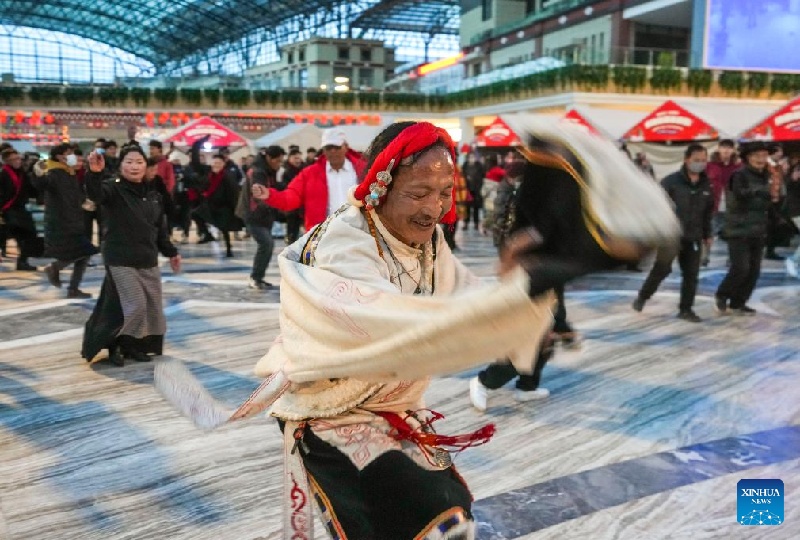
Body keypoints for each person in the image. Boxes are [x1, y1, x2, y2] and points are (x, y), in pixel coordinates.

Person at [160, 120, 681, 538]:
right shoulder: (341, 245)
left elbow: (460, 300)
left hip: (390, 410)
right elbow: (389, 323)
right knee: (429, 514)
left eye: (442, 191)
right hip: (327, 412)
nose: (435, 207)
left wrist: (517, 282)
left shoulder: (427, 243)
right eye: (418, 192)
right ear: (382, 185)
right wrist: (521, 290)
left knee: (440, 511)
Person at [81, 143, 180, 367]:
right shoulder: (112, 189)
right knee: (133, 304)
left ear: (146, 166)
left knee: (149, 307)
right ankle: (114, 345)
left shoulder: (153, 195)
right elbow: (95, 194)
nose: (134, 166)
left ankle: (132, 345)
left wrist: (171, 252)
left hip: (147, 257)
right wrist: (93, 173)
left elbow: (159, 229)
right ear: (121, 165)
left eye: (139, 162)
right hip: (120, 258)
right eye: (129, 162)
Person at [632, 144, 714, 322]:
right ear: (686, 160)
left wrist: (708, 234)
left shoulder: (707, 184)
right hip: (671, 236)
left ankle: (686, 309)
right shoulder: (671, 182)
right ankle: (643, 296)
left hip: (694, 236)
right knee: (662, 269)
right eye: (696, 160)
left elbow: (708, 212)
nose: (700, 164)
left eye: (703, 160)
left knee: (691, 274)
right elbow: (657, 207)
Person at [252, 129, 364, 231]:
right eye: (329, 148)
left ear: (346, 147)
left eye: (337, 147)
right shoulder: (309, 173)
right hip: (322, 235)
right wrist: (269, 195)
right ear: (323, 150)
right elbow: (291, 197)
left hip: (359, 232)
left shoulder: (363, 170)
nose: (333, 151)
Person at [715, 141, 771, 315]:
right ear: (748, 157)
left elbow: (773, 198)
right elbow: (738, 194)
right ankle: (722, 295)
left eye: (764, 156)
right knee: (741, 268)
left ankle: (738, 302)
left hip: (759, 229)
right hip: (738, 229)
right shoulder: (738, 175)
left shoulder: (767, 175)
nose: (761, 159)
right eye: (757, 156)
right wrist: (758, 192)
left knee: (754, 270)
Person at [36, 143, 97, 299]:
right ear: (59, 157)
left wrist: (84, 202)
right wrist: (37, 173)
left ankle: (70, 284)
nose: (73, 156)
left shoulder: (68, 172)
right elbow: (42, 185)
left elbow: (73, 195)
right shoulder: (54, 173)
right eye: (69, 153)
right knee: (85, 252)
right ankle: (59, 273)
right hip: (61, 223)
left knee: (84, 253)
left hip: (73, 220)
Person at [237, 147, 282, 290]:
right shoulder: (258, 172)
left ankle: (258, 277)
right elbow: (258, 195)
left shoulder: (267, 170)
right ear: (269, 158)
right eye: (278, 161)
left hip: (264, 215)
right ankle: (255, 277)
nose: (279, 164)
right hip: (253, 214)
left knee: (267, 245)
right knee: (266, 244)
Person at [0, 148, 38, 271]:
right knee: (11, 234)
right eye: (14, 159)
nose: (18, 161)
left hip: (20, 209)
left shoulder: (23, 174)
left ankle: (23, 261)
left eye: (18, 158)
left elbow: (31, 190)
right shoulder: (3, 174)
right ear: (7, 161)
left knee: (28, 235)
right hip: (7, 209)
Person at [705, 139, 740, 266]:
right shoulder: (709, 166)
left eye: (729, 148)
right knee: (709, 232)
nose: (726, 151)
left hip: (733, 206)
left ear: (733, 150)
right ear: (718, 149)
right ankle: (704, 257)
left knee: (732, 235)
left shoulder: (738, 167)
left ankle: (731, 258)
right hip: (713, 205)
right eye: (723, 148)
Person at [276, 148, 304, 244]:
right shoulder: (285, 171)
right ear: (290, 158)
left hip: (300, 205)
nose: (298, 160)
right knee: (291, 227)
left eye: (299, 158)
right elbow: (282, 186)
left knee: (297, 227)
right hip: (290, 204)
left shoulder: (303, 170)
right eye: (295, 158)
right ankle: (290, 242)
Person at [461, 152, 485, 231]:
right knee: (466, 208)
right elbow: (462, 176)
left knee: (476, 208)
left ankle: (476, 224)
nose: (471, 158)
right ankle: (466, 223)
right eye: (470, 157)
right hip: (467, 190)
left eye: (473, 157)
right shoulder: (465, 166)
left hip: (476, 190)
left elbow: (482, 176)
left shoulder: (479, 166)